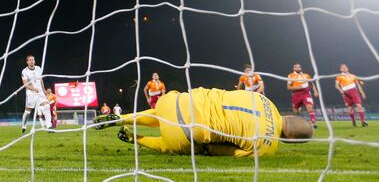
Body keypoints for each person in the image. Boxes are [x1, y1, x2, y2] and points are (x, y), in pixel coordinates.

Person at [94, 87, 313, 157]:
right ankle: (135, 138)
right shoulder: (269, 145)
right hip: (187, 132)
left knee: (160, 112)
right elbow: (224, 151)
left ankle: (123, 118)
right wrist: (206, 149)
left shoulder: (264, 99)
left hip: (179, 100)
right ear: (291, 140)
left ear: (292, 116)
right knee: (176, 143)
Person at [20, 54, 51, 132]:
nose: (31, 61)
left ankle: (49, 126)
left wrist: (44, 91)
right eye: (30, 60)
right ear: (27, 62)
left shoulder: (38, 68)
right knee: (27, 112)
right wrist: (33, 89)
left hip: (40, 92)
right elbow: (25, 84)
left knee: (47, 106)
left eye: (33, 60)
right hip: (31, 94)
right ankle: (24, 125)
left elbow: (41, 80)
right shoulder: (24, 71)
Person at [287, 63, 318, 127]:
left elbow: (311, 83)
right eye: (296, 67)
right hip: (296, 94)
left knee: (310, 107)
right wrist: (299, 87)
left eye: (299, 67)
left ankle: (313, 123)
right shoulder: (291, 75)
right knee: (295, 111)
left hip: (306, 93)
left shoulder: (306, 75)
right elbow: (288, 87)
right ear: (293, 69)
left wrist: (315, 91)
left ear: (301, 68)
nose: (297, 68)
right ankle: (298, 121)